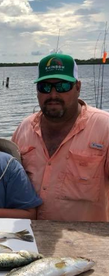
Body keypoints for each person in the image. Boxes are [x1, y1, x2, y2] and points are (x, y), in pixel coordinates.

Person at [12, 53, 109, 221]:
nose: (53, 95)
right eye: (45, 87)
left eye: (63, 86)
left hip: (88, 243)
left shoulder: (105, 127)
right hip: (29, 239)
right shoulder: (24, 128)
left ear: (78, 87)